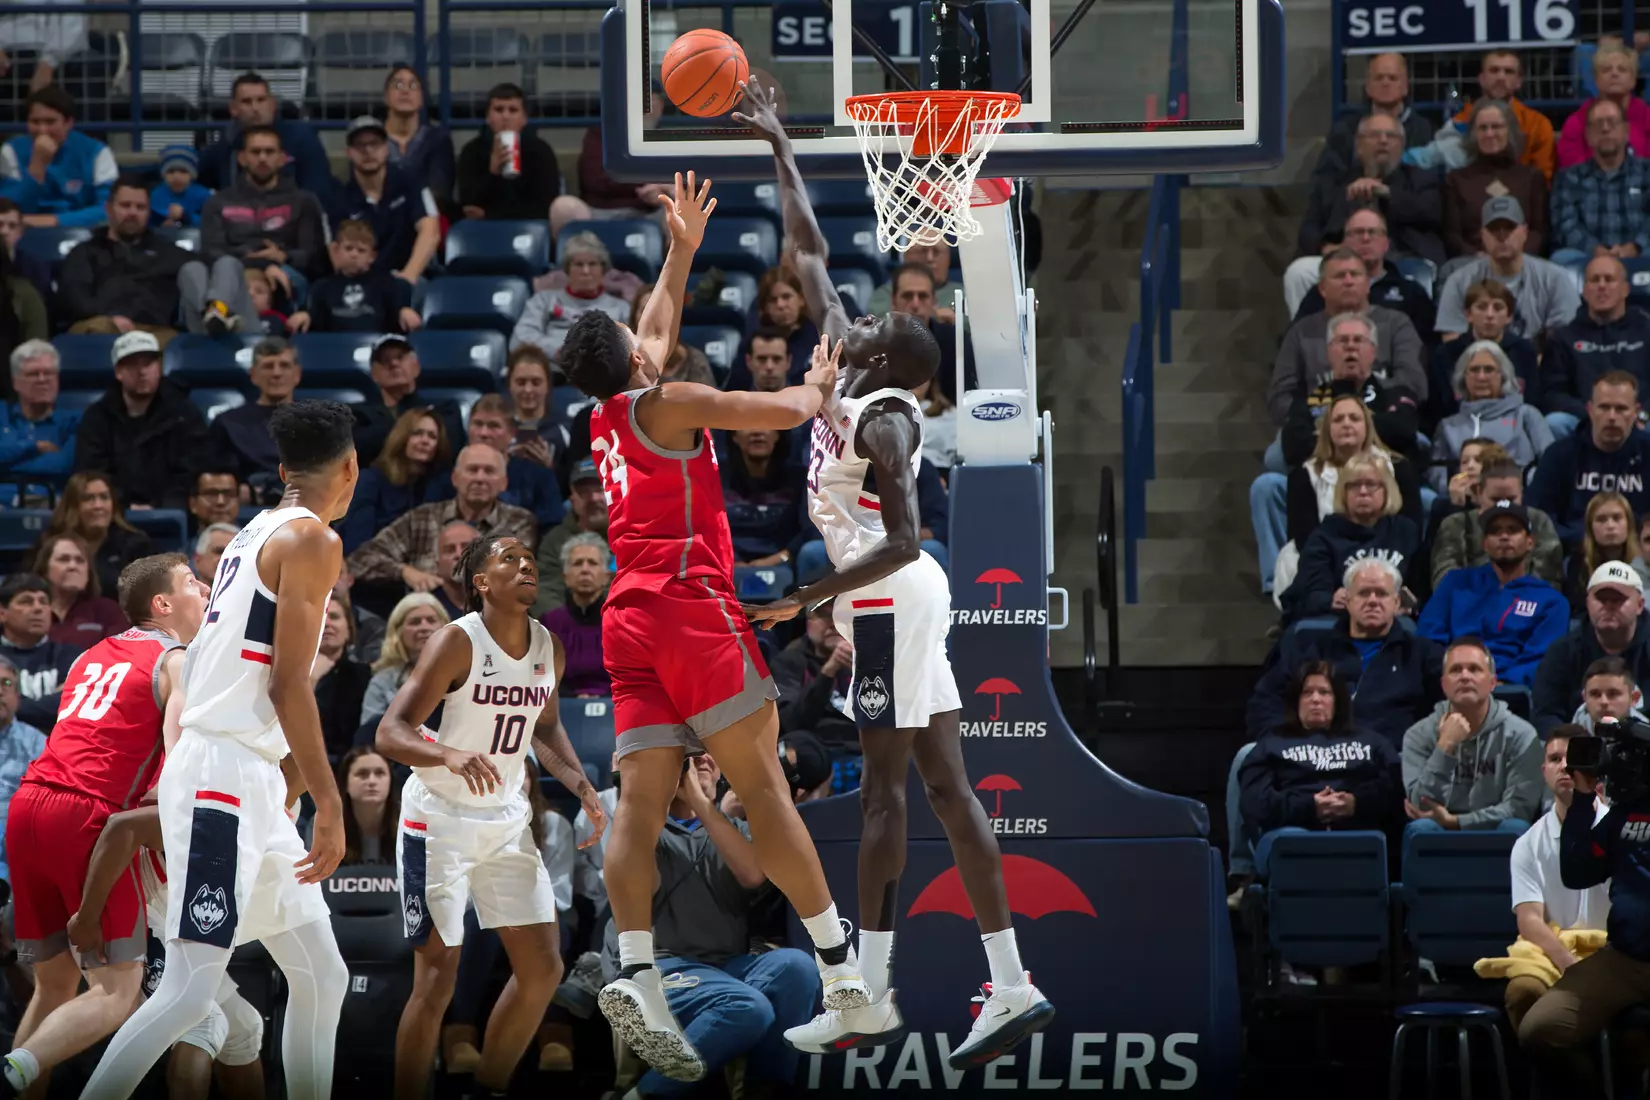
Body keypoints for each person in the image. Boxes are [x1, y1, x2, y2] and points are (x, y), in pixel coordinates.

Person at [737, 81, 1052, 1064]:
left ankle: (869, 988)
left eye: (873, 330)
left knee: (886, 796)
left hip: (893, 596)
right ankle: (1009, 982)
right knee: (947, 793)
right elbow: (810, 252)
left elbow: (911, 538)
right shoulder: (853, 380)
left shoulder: (883, 415)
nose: (856, 322)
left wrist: (808, 596)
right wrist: (778, 135)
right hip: (895, 602)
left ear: (903, 366)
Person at [558, 166, 868, 1080]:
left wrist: (682, 251)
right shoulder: (674, 400)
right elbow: (771, 411)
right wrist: (816, 386)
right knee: (764, 789)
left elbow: (652, 325)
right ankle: (844, 968)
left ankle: (641, 973)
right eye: (635, 337)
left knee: (641, 805)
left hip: (627, 616)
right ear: (638, 364)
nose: (647, 334)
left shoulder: (608, 413)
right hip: (691, 608)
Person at [79, 400, 358, 1097]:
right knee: (190, 985)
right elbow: (292, 684)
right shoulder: (313, 540)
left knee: (323, 973)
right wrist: (328, 801)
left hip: (243, 774)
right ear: (349, 469)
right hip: (221, 776)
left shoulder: (249, 533)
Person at [376, 535, 603, 1100]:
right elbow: (391, 732)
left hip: (505, 819)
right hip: (439, 821)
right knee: (436, 980)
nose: (526, 562)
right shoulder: (457, 641)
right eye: (509, 558)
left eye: (530, 556)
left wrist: (580, 783)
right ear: (480, 581)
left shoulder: (548, 646)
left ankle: (488, 1089)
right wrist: (446, 752)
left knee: (544, 970)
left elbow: (545, 729)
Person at [0, 553, 205, 1096]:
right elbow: (175, 762)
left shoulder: (90, 654)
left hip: (29, 807)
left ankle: (19, 1081)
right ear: (162, 604)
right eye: (191, 582)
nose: (204, 588)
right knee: (118, 992)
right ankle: (14, 1067)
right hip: (86, 816)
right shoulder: (178, 660)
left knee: (55, 985)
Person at [598, 753, 821, 1097]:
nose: (700, 757)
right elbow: (649, 882)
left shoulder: (738, 830)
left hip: (723, 966)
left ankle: (764, 1090)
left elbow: (751, 875)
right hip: (659, 967)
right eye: (687, 753)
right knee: (747, 1007)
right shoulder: (638, 825)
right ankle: (644, 1094)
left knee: (797, 968)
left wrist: (702, 804)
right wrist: (658, 786)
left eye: (707, 751)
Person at [68, 800, 270, 1097]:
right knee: (202, 1020)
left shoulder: (278, 808)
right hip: (121, 907)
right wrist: (88, 917)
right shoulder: (203, 784)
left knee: (243, 1027)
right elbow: (124, 824)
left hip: (168, 920)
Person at [1516, 735, 1650, 1098]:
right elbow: (1577, 872)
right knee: (1540, 1030)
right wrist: (1583, 798)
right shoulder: (1623, 816)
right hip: (1624, 959)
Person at [1249, 558, 1443, 751]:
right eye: (1364, 593)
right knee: (1246, 755)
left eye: (1382, 594)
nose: (1373, 601)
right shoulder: (1312, 650)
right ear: (1348, 601)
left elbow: (1446, 709)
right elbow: (1265, 702)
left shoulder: (1422, 655)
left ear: (1396, 602)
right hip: (1314, 757)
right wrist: (1285, 745)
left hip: (1390, 762)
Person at [1239, 660, 1401, 876]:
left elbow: (1395, 789)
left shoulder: (1372, 742)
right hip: (1290, 831)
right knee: (1293, 842)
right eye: (1307, 693)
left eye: (1324, 692)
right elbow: (1255, 802)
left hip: (1359, 830)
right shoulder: (1271, 745)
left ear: (1338, 701)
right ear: (1296, 701)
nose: (1316, 699)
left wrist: (1356, 803)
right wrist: (1310, 807)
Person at [59, 176, 258, 341]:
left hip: (155, 333)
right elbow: (76, 299)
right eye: (125, 206)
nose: (132, 213)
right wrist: (110, 318)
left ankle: (217, 315)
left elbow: (212, 264)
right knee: (98, 330)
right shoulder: (85, 252)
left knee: (175, 342)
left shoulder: (166, 250)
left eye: (140, 207)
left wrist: (256, 269)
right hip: (103, 327)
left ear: (148, 212)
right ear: (109, 208)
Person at [1288, 112, 1444, 311]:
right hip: (1344, 258)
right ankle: (1306, 336)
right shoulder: (1335, 182)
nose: (1383, 141)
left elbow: (1431, 212)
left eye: (1391, 136)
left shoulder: (1419, 179)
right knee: (1299, 272)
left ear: (1402, 145)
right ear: (1359, 145)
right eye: (1375, 135)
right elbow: (1309, 228)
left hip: (1402, 256)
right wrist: (1325, 247)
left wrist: (1386, 193)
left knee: (1420, 276)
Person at [1401, 637, 1542, 855]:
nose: (1465, 676)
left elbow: (1519, 808)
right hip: (1438, 828)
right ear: (1443, 684)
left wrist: (1457, 821)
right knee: (1421, 829)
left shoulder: (1521, 734)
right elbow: (1421, 805)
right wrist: (1445, 746)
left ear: (1493, 682)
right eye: (1456, 670)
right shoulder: (1418, 735)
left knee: (1515, 828)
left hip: (1495, 829)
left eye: (1474, 669)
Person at [348, 445, 537, 596]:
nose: (480, 478)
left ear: (503, 483)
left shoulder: (517, 522)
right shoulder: (422, 517)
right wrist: (405, 572)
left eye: (489, 471)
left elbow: (512, 575)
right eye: (472, 470)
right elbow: (361, 560)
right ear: (455, 478)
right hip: (428, 614)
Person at [1419, 501, 1570, 686]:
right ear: (1485, 543)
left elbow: (1542, 659)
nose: (1504, 536)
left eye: (1513, 530)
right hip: (1453, 684)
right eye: (1495, 531)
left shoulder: (1551, 602)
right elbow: (1428, 638)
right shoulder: (1455, 584)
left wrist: (1503, 681)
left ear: (1530, 542)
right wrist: (1452, 674)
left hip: (1512, 692)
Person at [73, 331, 209, 510]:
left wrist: (160, 507)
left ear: (159, 368)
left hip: (175, 512)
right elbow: (91, 473)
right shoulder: (97, 417)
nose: (142, 372)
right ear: (118, 372)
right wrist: (123, 506)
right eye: (132, 365)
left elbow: (194, 469)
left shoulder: (183, 413)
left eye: (148, 364)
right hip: (112, 514)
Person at [200, 125, 328, 313]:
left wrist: (284, 256)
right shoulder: (218, 202)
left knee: (280, 278)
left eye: (269, 152)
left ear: (282, 158)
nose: (262, 158)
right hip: (234, 271)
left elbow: (315, 256)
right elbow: (211, 253)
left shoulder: (303, 201)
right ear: (242, 158)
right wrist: (255, 263)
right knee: (206, 271)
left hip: (286, 272)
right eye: (255, 152)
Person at [1281, 453, 1419, 624]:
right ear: (1343, 492)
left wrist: (1409, 605)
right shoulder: (1325, 536)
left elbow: (1420, 585)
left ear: (1386, 489)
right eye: (1353, 486)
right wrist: (1330, 599)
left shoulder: (1404, 530)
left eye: (1371, 485)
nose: (1362, 491)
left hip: (1394, 621)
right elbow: (1310, 591)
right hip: (1339, 619)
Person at [1434, 197, 1582, 343]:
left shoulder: (1555, 278)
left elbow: (1566, 342)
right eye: (1494, 229)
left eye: (1509, 228)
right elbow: (1451, 342)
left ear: (1525, 231)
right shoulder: (1460, 281)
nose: (1502, 236)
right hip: (1479, 364)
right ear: (1482, 235)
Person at [1528, 371, 1650, 548]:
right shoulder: (1560, 454)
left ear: (1635, 412)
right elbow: (1538, 516)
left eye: (1621, 409)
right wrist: (1585, 540)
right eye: (1604, 407)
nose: (1612, 417)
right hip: (1573, 552)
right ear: (1590, 410)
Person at [1539, 256, 1650, 439]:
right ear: (1584, 290)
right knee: (1555, 423)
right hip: (1585, 419)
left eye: (1609, 279)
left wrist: (1641, 413)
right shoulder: (1563, 337)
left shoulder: (1646, 331)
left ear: (1625, 289)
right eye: (1594, 280)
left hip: (1639, 418)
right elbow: (1553, 393)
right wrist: (1591, 414)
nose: (1601, 286)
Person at [1533, 562, 1650, 734]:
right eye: (1601, 599)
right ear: (1588, 603)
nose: (1609, 606)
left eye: (1618, 600)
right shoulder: (1562, 652)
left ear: (1640, 605)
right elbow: (1545, 714)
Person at [328, 116, 440, 285]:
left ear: (386, 148)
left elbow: (430, 231)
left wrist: (408, 277)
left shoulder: (411, 181)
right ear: (349, 152)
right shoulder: (338, 196)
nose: (368, 151)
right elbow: (336, 251)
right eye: (360, 145)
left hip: (409, 276)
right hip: (363, 284)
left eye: (375, 143)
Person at [1429, 340, 1552, 492]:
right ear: (1463, 377)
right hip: (1461, 500)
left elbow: (1551, 464)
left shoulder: (1526, 415)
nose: (1481, 377)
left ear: (1503, 376)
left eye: (1489, 370)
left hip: (1518, 496)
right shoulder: (1448, 426)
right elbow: (1436, 472)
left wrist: (1522, 481)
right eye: (1474, 370)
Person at [1294, 207, 1435, 338]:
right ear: (1345, 243)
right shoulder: (1324, 292)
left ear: (1386, 244)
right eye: (1358, 232)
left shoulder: (1411, 292)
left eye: (1373, 232)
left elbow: (1428, 347)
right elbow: (1295, 340)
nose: (1366, 238)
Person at [428, 395, 563, 529]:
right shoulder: (447, 477)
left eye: (493, 426)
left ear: (511, 433)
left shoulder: (540, 478)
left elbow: (551, 529)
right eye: (478, 424)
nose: (484, 433)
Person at [1442, 99, 1549, 262]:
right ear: (1473, 134)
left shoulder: (1532, 178)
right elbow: (1452, 235)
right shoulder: (1456, 180)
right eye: (1483, 128)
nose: (1489, 134)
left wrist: (1514, 257)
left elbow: (1539, 231)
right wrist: (1479, 257)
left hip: (1524, 263)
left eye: (1497, 127)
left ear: (1510, 131)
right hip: (1472, 264)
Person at [1432, 459, 1564, 589]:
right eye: (1496, 500)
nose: (1503, 506)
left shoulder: (1538, 521)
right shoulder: (1456, 524)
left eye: (1511, 499)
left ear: (1522, 493)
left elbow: (1549, 579)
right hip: (1470, 606)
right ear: (1478, 492)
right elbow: (1444, 580)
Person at [197, 72, 333, 198]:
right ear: (233, 109)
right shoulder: (227, 143)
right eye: (247, 102)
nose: (255, 108)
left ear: (272, 104)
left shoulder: (302, 138)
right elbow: (190, 173)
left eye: (261, 100)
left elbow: (317, 192)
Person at [0, 86, 116, 229]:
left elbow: (109, 209)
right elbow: (5, 209)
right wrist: (37, 165)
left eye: (50, 122)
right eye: (35, 122)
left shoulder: (97, 152)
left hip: (79, 233)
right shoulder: (10, 151)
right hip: (22, 234)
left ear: (68, 123)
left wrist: (54, 220)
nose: (42, 130)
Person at [341, 407, 453, 555]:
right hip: (374, 565)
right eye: (417, 433)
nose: (425, 441)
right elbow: (357, 542)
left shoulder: (440, 485)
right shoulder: (371, 480)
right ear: (402, 437)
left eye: (432, 436)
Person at [1429, 279, 1541, 426]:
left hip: (1512, 427)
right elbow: (1438, 408)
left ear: (1509, 316)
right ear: (1468, 314)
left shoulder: (1524, 351)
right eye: (1481, 307)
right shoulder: (1447, 353)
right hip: (1460, 427)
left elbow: (1533, 401)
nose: (1489, 315)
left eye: (1498, 308)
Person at [288, 220, 421, 336]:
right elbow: (312, 313)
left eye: (361, 250)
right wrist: (306, 315)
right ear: (336, 251)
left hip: (378, 348)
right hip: (333, 349)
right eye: (348, 248)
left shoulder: (387, 284)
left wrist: (404, 311)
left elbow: (399, 308)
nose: (354, 255)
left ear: (372, 256)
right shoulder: (322, 287)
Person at [350, 335, 467, 467]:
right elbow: (351, 451)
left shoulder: (445, 409)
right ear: (373, 374)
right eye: (384, 360)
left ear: (416, 367)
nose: (393, 364)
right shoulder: (355, 414)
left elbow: (449, 448)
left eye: (400, 357)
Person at [511, 231, 631, 359]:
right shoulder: (543, 300)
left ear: (603, 269)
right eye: (579, 265)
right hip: (552, 371)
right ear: (567, 270)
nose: (586, 271)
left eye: (592, 264)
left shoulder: (621, 308)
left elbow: (631, 345)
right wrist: (558, 351)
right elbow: (520, 338)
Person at [456, 83, 562, 222]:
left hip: (529, 227)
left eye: (513, 110)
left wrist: (491, 214)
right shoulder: (471, 151)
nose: (505, 116)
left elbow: (545, 206)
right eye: (499, 110)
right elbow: (469, 204)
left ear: (524, 119)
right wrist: (493, 173)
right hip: (482, 229)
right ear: (488, 117)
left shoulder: (540, 151)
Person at [1447, 50, 1557, 181]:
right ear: (1481, 79)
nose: (1500, 77)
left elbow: (1543, 180)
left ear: (1518, 81)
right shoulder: (1460, 121)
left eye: (1508, 71)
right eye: (1494, 70)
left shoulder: (1538, 125)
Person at [209, 336, 299, 492]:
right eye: (268, 366)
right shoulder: (228, 424)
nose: (276, 373)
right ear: (253, 375)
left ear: (297, 374)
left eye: (284, 365)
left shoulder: (318, 424)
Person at [43, 470, 152, 594]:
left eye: (104, 497)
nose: (98, 505)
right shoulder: (52, 541)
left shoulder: (136, 545)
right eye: (88, 498)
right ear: (73, 506)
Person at [0, 573, 79, 729]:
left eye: (43, 601)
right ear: (2, 613)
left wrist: (11, 705)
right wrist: (52, 701)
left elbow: (76, 706)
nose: (38, 608)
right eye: (26, 601)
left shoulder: (72, 656)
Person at [1556, 41, 1650, 170]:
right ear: (1596, 79)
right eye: (1606, 70)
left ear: (1633, 79)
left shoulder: (1646, 117)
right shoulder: (1577, 121)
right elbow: (1571, 167)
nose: (1614, 74)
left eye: (1622, 69)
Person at [361, 593, 449, 731]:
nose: (424, 627)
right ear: (398, 632)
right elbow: (368, 733)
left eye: (431, 620)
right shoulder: (383, 681)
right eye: (415, 622)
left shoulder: (464, 673)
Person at [531, 459, 608, 615]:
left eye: (600, 489)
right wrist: (568, 626)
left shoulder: (633, 536)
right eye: (584, 492)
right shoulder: (555, 540)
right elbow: (546, 590)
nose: (593, 498)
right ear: (572, 499)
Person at [540, 530, 610, 696]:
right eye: (578, 563)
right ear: (565, 576)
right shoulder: (549, 624)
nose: (585, 570)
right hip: (563, 707)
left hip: (614, 707)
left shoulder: (624, 623)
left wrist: (603, 698)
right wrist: (571, 698)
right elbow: (539, 674)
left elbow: (633, 676)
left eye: (592, 563)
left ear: (606, 576)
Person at [382, 65, 456, 214]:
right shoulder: (370, 139)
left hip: (427, 218)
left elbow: (439, 191)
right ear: (386, 97)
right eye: (398, 85)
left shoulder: (438, 140)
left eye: (413, 86)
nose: (405, 91)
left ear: (422, 98)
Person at [0, 340, 74, 488]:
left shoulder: (74, 421)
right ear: (15, 382)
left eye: (49, 373)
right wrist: (34, 447)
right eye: (33, 374)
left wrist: (7, 464)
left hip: (51, 504)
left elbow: (63, 466)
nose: (42, 380)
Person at [34, 532, 125, 648]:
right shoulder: (32, 610)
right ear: (45, 569)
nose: (73, 566)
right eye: (63, 559)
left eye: (80, 560)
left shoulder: (109, 611)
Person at [313, 595, 371, 759]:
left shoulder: (363, 676)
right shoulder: (287, 673)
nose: (327, 624)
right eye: (320, 617)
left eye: (334, 617)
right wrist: (311, 682)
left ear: (349, 630)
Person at [1565, 491, 1644, 609]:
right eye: (1601, 520)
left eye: (1617, 518)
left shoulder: (1644, 561)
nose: (1610, 526)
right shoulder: (1578, 564)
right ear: (1590, 527)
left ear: (1629, 523)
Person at [629, 284, 715, 387]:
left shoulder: (694, 360)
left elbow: (709, 401)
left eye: (659, 311)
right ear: (634, 317)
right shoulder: (623, 362)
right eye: (644, 311)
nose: (651, 318)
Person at [149, 145, 210, 229]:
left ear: (192, 175)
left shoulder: (203, 195)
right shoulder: (155, 195)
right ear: (163, 175)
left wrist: (185, 216)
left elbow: (210, 222)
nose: (176, 176)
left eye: (183, 171)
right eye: (171, 171)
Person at [430, 519, 481, 620]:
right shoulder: (427, 607)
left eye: (467, 548)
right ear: (438, 566)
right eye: (449, 550)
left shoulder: (504, 603)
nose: (459, 554)